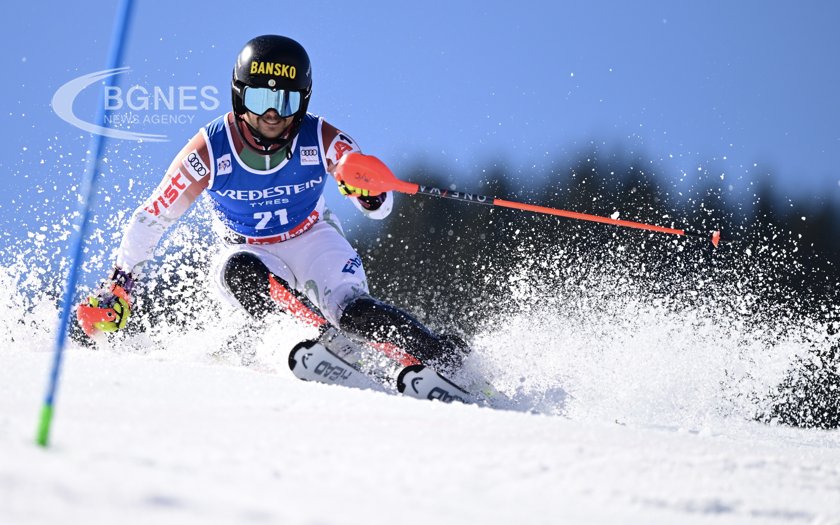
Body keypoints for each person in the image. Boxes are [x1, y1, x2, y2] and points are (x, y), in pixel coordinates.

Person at [77, 35, 466, 371]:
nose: (272, 114)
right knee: (239, 270)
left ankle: (444, 360)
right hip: (249, 250)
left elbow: (379, 208)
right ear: (239, 93)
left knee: (354, 310)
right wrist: (121, 283)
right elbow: (153, 216)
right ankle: (317, 342)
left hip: (313, 239)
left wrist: (369, 192)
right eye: (261, 97)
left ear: (303, 101)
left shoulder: (323, 138)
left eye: (285, 100)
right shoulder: (211, 149)